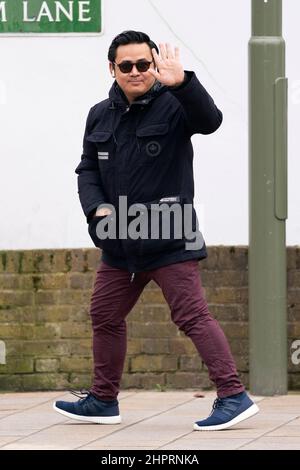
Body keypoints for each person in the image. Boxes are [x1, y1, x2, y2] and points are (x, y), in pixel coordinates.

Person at [53, 30, 259, 431]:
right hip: (120, 242)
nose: (136, 72)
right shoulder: (99, 114)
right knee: (105, 313)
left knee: (191, 315)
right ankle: (103, 399)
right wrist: (96, 209)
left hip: (169, 236)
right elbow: (87, 169)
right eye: (126, 66)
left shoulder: (175, 104)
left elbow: (210, 121)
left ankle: (233, 395)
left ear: (154, 63)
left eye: (143, 64)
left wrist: (182, 83)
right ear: (112, 69)